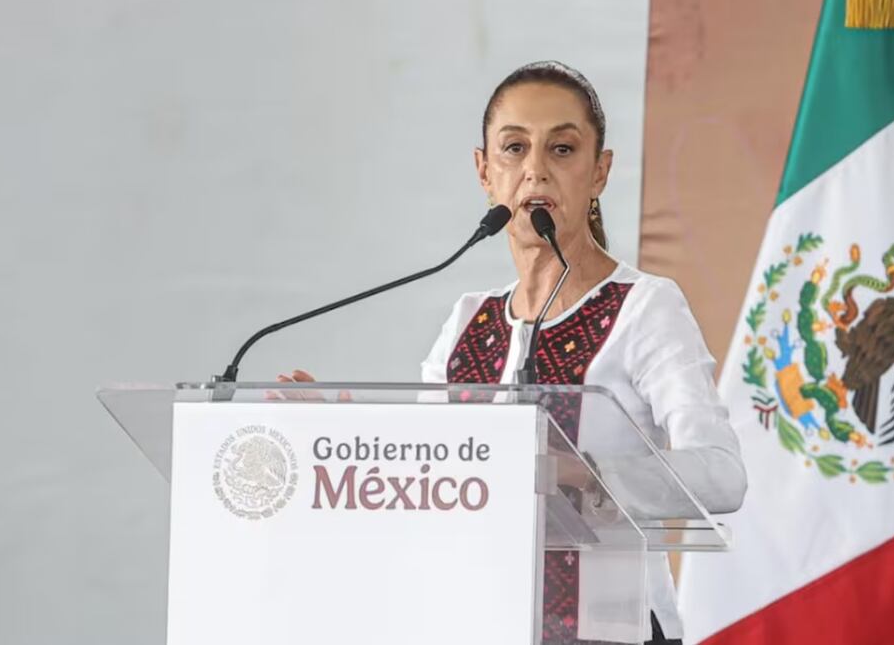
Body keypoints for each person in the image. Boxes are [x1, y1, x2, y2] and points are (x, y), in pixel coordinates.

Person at [282, 61, 746, 645]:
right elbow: (430, 475)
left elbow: (722, 476)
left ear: (600, 171)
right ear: (484, 171)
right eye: (513, 148)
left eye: (562, 149)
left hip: (611, 628)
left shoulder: (644, 307)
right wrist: (338, 437)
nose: (535, 171)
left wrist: (588, 474)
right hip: (477, 620)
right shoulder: (467, 321)